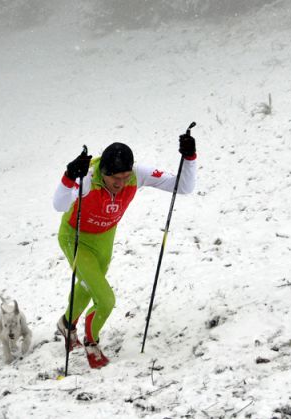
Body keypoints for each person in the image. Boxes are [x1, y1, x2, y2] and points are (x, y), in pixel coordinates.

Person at [53, 133, 197, 369]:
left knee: (89, 287)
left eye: (125, 177)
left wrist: (189, 157)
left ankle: (66, 324)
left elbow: (184, 186)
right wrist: (69, 177)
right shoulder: (88, 178)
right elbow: (58, 205)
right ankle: (92, 343)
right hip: (75, 238)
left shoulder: (137, 174)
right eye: (115, 179)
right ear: (104, 173)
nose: (120, 184)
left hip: (105, 239)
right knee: (106, 299)